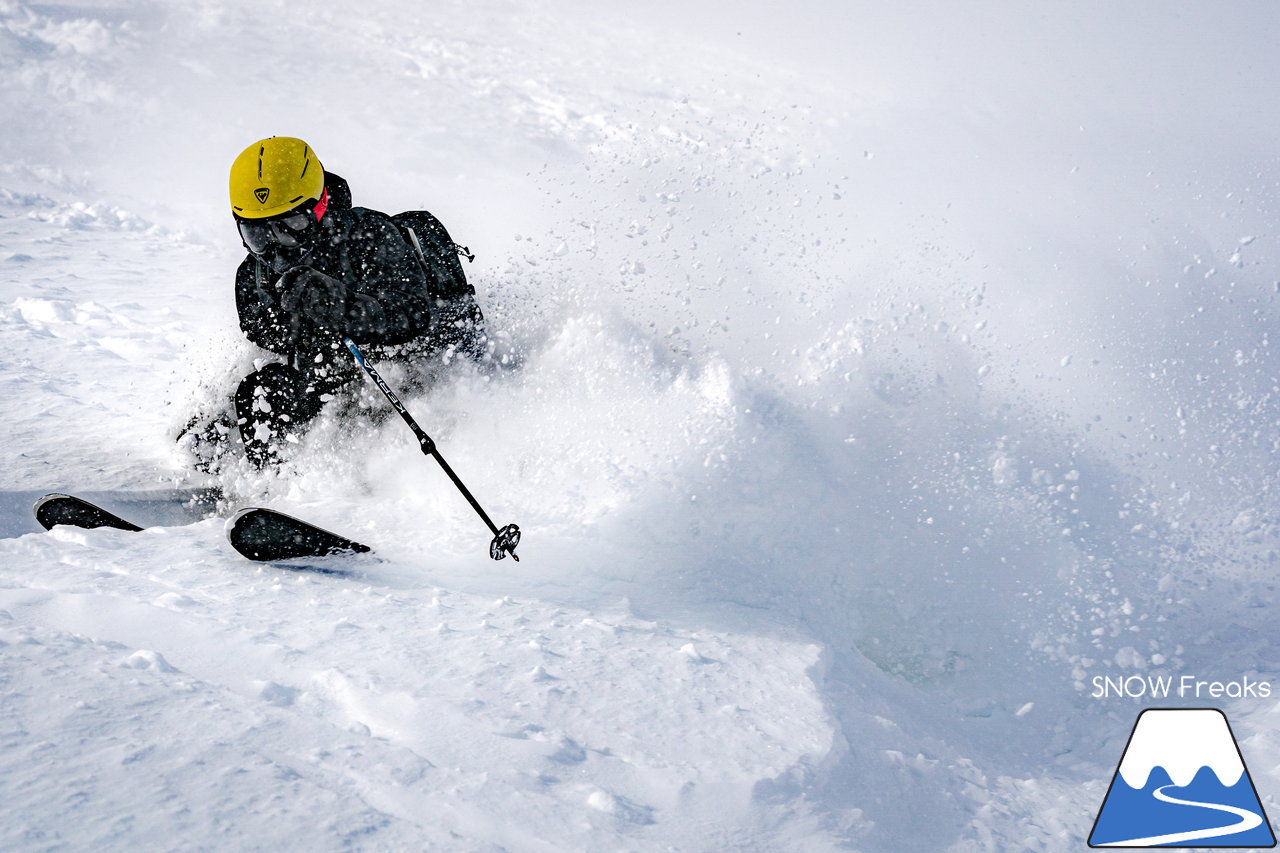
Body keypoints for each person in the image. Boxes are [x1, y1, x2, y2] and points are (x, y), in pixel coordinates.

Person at [181, 136, 484, 470]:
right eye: (259, 234)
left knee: (380, 400)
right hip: (334, 378)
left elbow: (413, 314)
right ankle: (271, 487)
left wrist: (341, 306)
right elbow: (264, 334)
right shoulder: (255, 276)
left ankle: (369, 489)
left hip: (414, 369)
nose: (277, 248)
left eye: (291, 227)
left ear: (320, 204)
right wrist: (293, 315)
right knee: (259, 392)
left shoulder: (372, 236)